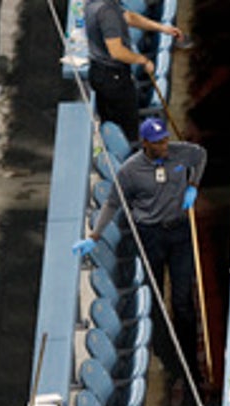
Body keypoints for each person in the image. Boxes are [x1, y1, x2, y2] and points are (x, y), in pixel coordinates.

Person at [80, 117, 207, 380]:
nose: (164, 146)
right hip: (151, 235)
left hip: (180, 232)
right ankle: (166, 354)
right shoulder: (130, 171)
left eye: (166, 140)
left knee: (183, 300)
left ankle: (190, 361)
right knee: (156, 298)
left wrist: (193, 185)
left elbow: (200, 156)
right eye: (158, 142)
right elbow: (112, 203)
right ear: (145, 143)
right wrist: (95, 234)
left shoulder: (180, 153)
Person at [84, 0, 183, 143]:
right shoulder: (107, 12)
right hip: (113, 78)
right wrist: (142, 60)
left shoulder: (102, 4)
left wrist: (161, 28)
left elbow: (129, 17)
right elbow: (117, 51)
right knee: (125, 130)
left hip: (104, 73)